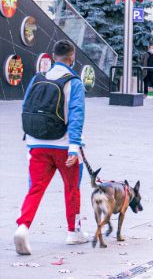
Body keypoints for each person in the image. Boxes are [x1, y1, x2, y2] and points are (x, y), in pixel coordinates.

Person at [14, 40, 89, 255]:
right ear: (71, 58)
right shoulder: (73, 81)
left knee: (35, 189)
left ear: (53, 56)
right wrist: (74, 147)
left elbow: (26, 106)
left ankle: (23, 226)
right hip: (65, 146)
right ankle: (73, 232)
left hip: (36, 143)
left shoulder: (38, 78)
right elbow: (76, 115)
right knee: (72, 188)